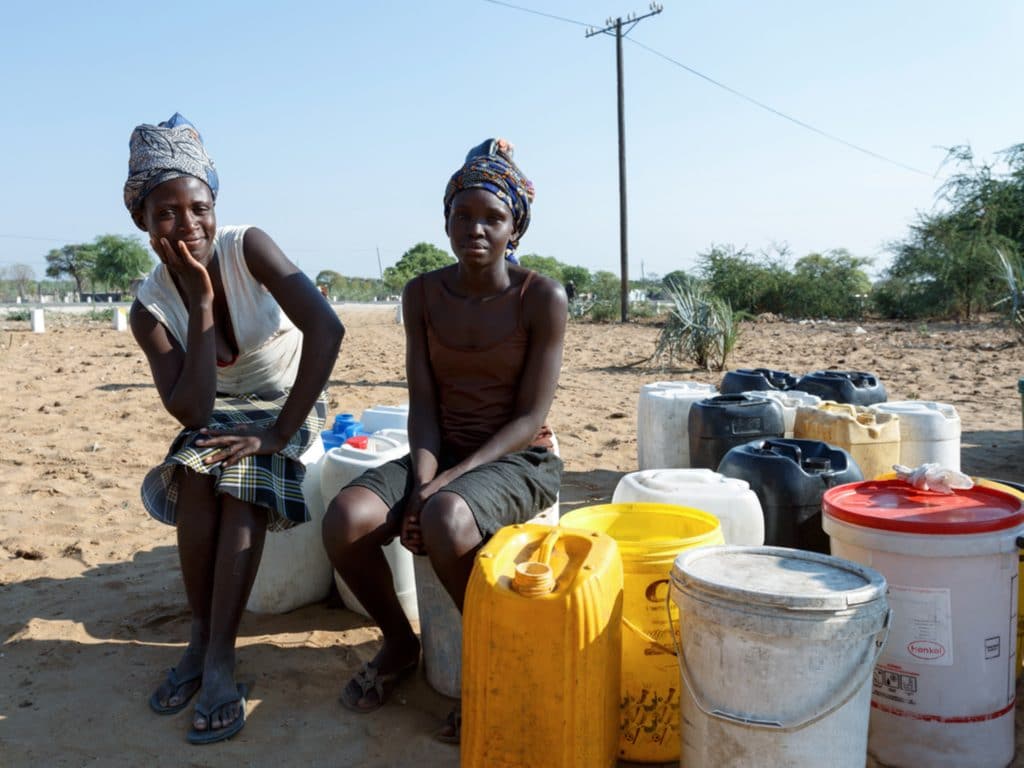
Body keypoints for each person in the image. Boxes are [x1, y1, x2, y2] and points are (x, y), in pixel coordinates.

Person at [321, 138, 567, 742]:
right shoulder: (424, 294)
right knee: (345, 519)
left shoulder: (541, 297)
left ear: (516, 228)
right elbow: (425, 405)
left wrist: (439, 490)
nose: (476, 229)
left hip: (519, 457)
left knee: (447, 521)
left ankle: (494, 665)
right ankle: (401, 644)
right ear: (446, 220)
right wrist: (419, 486)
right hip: (441, 449)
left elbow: (529, 415)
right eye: (464, 215)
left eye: (493, 217)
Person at [125, 113, 344, 745]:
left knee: (242, 478)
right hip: (217, 411)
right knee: (197, 475)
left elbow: (327, 330)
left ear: (215, 205)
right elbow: (192, 411)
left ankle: (220, 655)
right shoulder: (151, 308)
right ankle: (200, 640)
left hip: (288, 400)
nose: (187, 225)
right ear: (143, 220)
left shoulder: (249, 248)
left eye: (199, 207)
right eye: (166, 212)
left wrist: (279, 431)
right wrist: (196, 302)